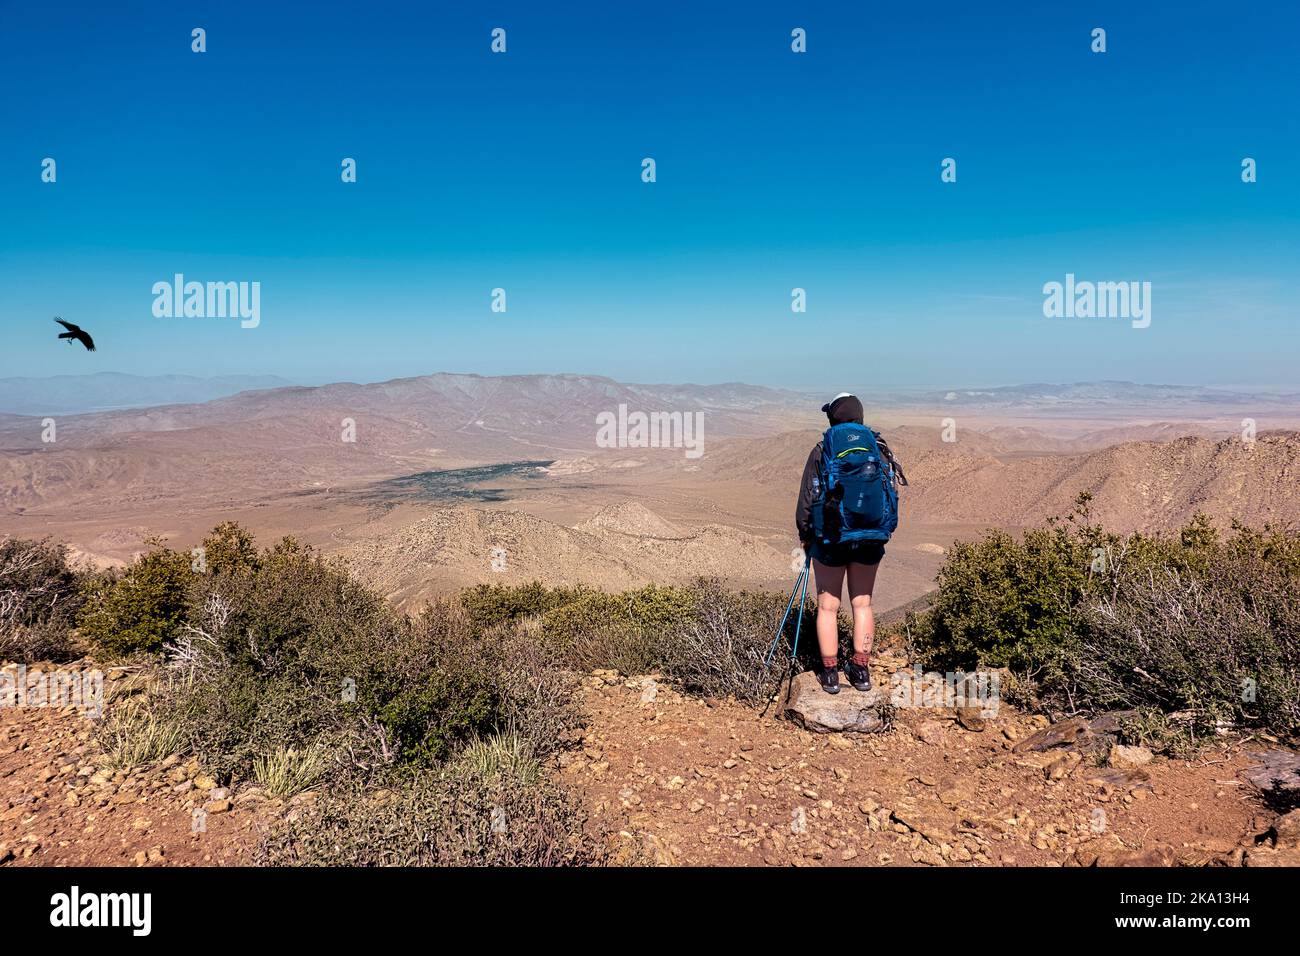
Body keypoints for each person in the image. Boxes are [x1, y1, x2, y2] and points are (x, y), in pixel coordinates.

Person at [795, 393, 907, 694]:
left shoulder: (823, 449)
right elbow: (890, 494)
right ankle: (860, 671)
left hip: (831, 538)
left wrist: (806, 536)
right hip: (870, 537)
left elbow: (807, 500)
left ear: (833, 417)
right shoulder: (878, 448)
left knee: (828, 607)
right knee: (863, 603)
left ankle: (830, 675)